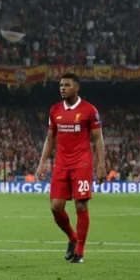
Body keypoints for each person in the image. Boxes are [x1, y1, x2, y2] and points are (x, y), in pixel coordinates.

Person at [35, 73, 105, 264]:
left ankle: (79, 252)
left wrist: (101, 165)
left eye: (67, 85)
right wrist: (42, 162)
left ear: (77, 88)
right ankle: (72, 238)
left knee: (81, 205)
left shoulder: (89, 110)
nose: (62, 88)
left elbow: (98, 139)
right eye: (61, 85)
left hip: (82, 163)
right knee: (56, 207)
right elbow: (50, 138)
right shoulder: (55, 110)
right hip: (61, 164)